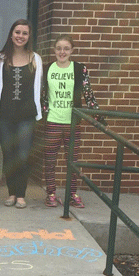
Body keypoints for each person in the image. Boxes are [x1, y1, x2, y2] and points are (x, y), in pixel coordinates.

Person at [41, 33, 100, 208]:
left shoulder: (79, 68)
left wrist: (96, 115)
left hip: (72, 123)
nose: (62, 52)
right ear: (54, 50)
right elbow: (43, 95)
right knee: (50, 161)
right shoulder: (47, 68)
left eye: (66, 48)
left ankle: (72, 194)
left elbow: (88, 93)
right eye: (59, 48)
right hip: (52, 121)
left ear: (72, 50)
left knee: (72, 162)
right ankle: (51, 193)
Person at [0, 20, 42, 208]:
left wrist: (39, 113)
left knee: (23, 155)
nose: (20, 36)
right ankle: (11, 193)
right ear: (11, 34)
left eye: (24, 33)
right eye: (17, 32)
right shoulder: (0, 58)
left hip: (27, 116)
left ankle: (21, 194)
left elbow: (38, 87)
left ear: (29, 37)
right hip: (4, 116)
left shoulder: (35, 58)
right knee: (9, 155)